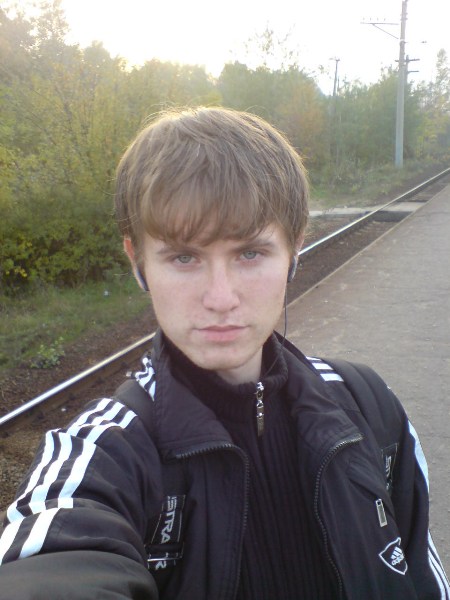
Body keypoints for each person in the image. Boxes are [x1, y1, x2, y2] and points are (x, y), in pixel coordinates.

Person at [0, 107, 448, 600]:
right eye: (184, 257)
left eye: (250, 253)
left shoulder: (369, 406)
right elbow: (52, 563)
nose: (220, 297)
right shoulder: (101, 454)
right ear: (138, 263)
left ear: (294, 252)